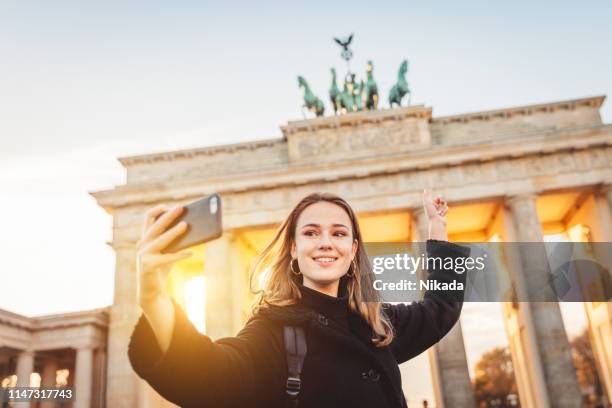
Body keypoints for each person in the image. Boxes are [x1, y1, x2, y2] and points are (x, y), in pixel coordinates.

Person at [128, 190, 470, 408]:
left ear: (352, 251)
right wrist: (155, 297)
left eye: (338, 233)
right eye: (310, 233)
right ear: (293, 249)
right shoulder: (273, 330)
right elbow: (212, 376)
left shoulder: (375, 326)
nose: (325, 242)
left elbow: (440, 309)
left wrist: (437, 232)